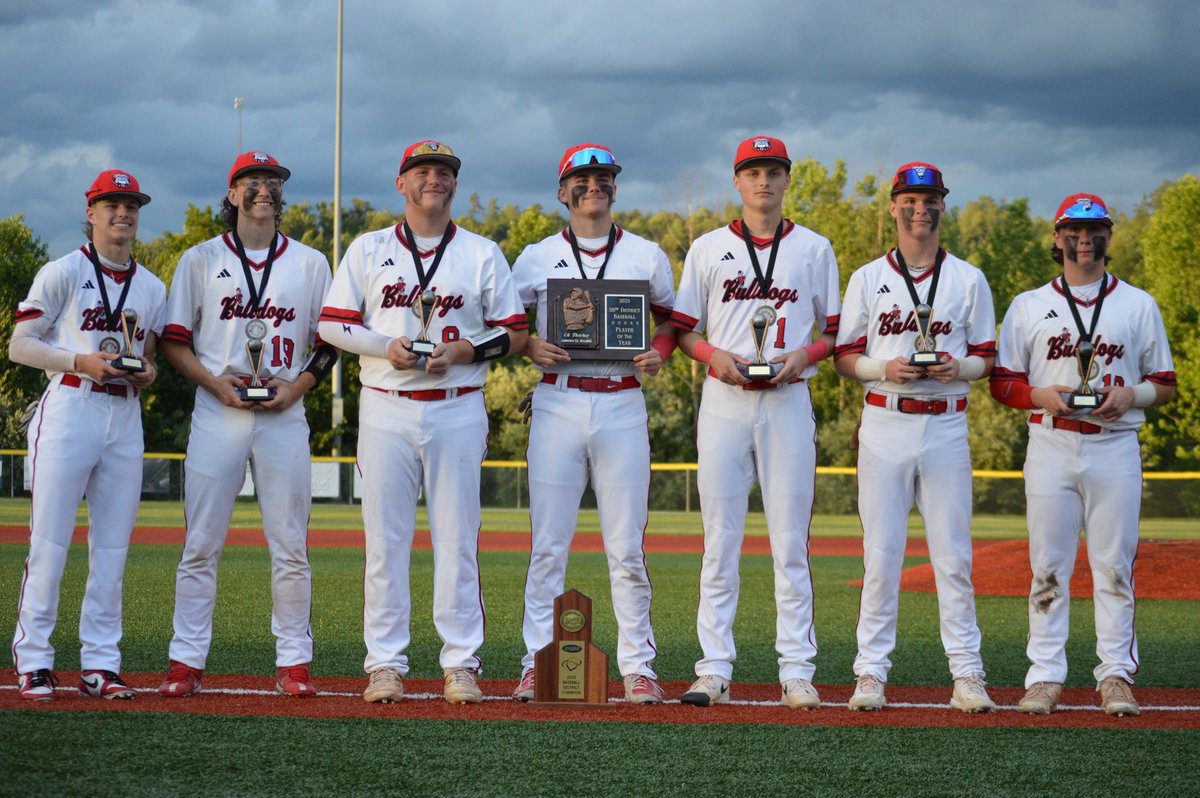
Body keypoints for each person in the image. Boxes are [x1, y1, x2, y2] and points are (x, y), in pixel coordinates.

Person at [318, 140, 528, 704]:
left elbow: (514, 332)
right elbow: (332, 325)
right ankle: (385, 663)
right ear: (401, 183)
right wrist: (384, 344)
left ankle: (460, 663)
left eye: (443, 172)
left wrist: (463, 351)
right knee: (385, 541)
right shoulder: (369, 247)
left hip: (457, 403)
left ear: (455, 184)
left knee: (457, 540)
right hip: (386, 403)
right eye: (422, 171)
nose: (433, 179)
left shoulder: (480, 251)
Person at [157, 151, 337, 699]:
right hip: (219, 410)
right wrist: (214, 384)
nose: (264, 190)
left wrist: (296, 388)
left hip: (284, 412)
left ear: (282, 195)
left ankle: (294, 662)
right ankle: (186, 661)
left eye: (273, 182)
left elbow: (329, 345)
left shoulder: (310, 263)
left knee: (290, 544)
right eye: (252, 182)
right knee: (201, 543)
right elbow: (173, 341)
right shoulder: (199, 259)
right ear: (232, 193)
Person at [990, 193, 1176, 716]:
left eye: (1095, 230)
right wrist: (1039, 395)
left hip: (1115, 444)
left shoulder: (1137, 303)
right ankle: (1045, 676)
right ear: (1057, 237)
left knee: (1114, 566)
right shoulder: (1029, 304)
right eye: (1073, 230)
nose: (1085, 239)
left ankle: (1115, 674)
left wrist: (1131, 394)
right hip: (1051, 440)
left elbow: (1165, 383)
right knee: (1048, 566)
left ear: (1109, 236)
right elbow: (1002, 383)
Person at [671, 136, 840, 709]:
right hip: (724, 399)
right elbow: (685, 329)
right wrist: (712, 355)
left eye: (772, 170)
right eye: (752, 171)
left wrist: (803, 356)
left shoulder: (814, 248)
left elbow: (834, 333)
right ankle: (713, 668)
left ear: (788, 178)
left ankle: (796, 669)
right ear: (737, 181)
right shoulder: (707, 247)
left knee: (790, 541)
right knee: (719, 540)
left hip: (788, 398)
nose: (763, 181)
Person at [509, 143, 677, 704]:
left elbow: (671, 323)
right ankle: (536, 662)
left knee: (626, 548)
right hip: (557, 400)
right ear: (562, 192)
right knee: (548, 546)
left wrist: (659, 351)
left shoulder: (646, 254)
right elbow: (505, 322)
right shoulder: (536, 255)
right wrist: (528, 343)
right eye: (581, 179)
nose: (593, 186)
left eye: (603, 177)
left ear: (614, 188)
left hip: (622, 400)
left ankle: (638, 666)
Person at [834, 162, 997, 713]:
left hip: (946, 420)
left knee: (953, 557)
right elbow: (844, 357)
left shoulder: (968, 278)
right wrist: (883, 367)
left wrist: (960, 368)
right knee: (881, 556)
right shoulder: (867, 277)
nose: (919, 209)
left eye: (930, 200)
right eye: (909, 199)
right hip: (886, 420)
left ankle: (967, 673)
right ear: (893, 207)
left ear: (943, 206)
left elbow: (988, 358)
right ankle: (870, 672)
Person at [9, 169, 165, 700]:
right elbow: (20, 345)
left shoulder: (152, 286)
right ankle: (34, 659)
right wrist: (79, 360)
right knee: (50, 542)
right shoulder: (63, 271)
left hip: (124, 414)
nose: (123, 213)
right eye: (112, 204)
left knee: (113, 548)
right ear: (91, 212)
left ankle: (100, 663)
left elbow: (147, 357)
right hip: (72, 404)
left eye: (131, 205)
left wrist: (147, 373)